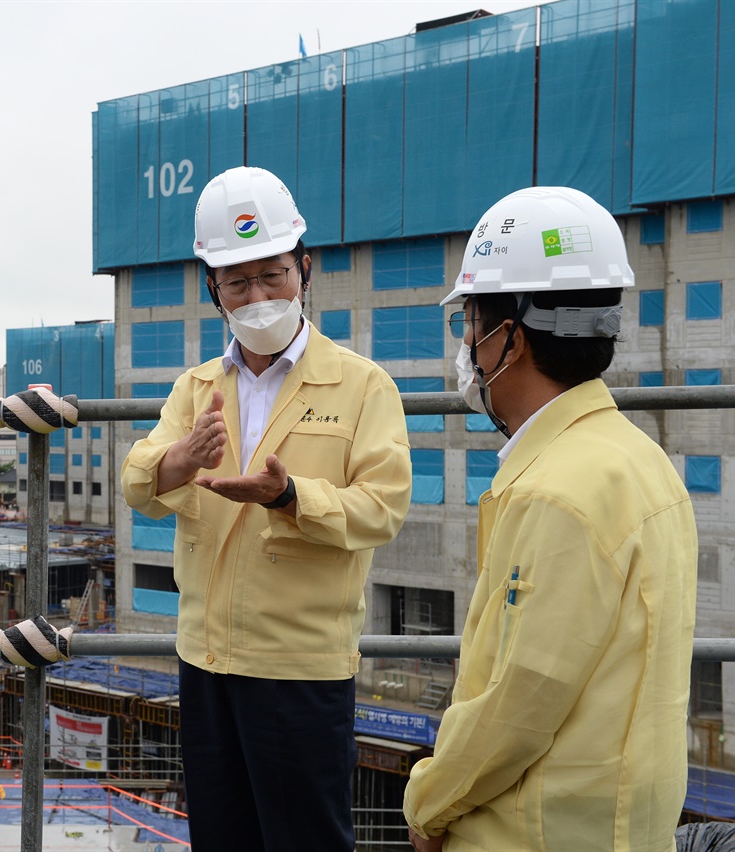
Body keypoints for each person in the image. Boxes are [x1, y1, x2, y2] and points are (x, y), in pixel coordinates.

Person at [121, 166, 412, 850]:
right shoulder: (196, 388)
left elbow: (383, 508)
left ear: (304, 269)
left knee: (306, 838)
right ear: (212, 289)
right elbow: (138, 483)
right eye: (238, 283)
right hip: (205, 661)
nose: (258, 297)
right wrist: (179, 460)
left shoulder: (362, 386)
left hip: (300, 669)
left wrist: (288, 497)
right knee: (221, 836)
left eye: (273, 276)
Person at [402, 186, 698, 851]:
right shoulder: (642, 462)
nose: (468, 345)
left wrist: (428, 803)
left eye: (471, 322)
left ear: (511, 334)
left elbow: (517, 704)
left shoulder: (556, 490)